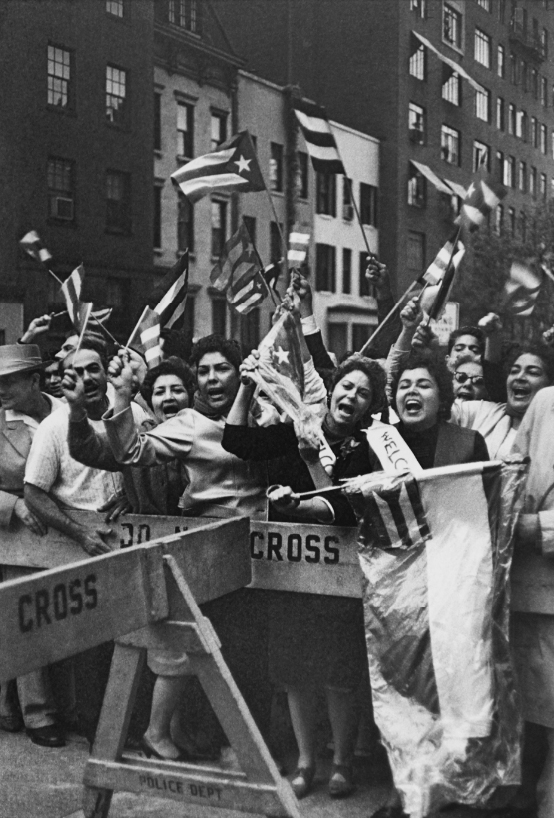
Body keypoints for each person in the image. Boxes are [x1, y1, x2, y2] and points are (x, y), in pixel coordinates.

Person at [99, 335, 272, 755]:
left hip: (268, 548)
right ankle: (177, 735)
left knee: (254, 650)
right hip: (211, 547)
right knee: (198, 645)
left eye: (223, 369)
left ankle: (246, 744)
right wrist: (121, 396)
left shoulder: (267, 413)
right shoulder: (190, 423)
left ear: (240, 373)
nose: (214, 379)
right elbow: (132, 451)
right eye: (206, 371)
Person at [224, 352, 387, 799]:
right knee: (294, 672)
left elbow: (342, 511)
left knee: (338, 672)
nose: (350, 396)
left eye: (363, 393)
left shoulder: (368, 449)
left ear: (370, 407)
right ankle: (305, 762)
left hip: (336, 577)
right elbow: (237, 440)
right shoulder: (298, 427)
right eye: (346, 387)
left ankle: (342, 763)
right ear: (332, 390)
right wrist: (246, 384)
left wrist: (307, 475)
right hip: (289, 570)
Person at [367, 351, 488, 818]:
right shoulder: (378, 443)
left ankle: (449, 792)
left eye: (424, 384)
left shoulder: (466, 442)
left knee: (450, 693)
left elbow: (482, 513)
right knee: (401, 696)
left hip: (452, 584)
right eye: (404, 386)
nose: (412, 392)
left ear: (443, 395)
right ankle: (407, 793)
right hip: (395, 591)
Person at [64, 356, 194, 760]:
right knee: (158, 647)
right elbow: (88, 447)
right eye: (160, 391)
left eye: (177, 390)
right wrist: (75, 410)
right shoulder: (138, 438)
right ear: (149, 400)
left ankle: (174, 730)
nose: (169, 397)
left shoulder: (203, 431)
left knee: (189, 650)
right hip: (151, 560)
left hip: (196, 557)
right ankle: (153, 733)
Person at [0, 344, 64, 748]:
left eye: (9, 382)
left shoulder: (67, 413)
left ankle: (60, 707)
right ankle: (35, 713)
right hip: (13, 537)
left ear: (35, 381)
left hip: (68, 529)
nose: (1, 390)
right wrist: (15, 504)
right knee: (25, 616)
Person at [508, 386, 554, 818]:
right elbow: (511, 472)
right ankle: (528, 791)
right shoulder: (545, 402)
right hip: (533, 588)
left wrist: (541, 527)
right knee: (534, 705)